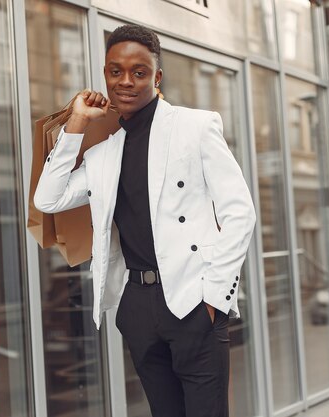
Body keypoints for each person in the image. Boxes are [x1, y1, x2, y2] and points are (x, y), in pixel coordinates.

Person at [34, 24, 256, 417]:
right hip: (137, 304)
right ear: (105, 74)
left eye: (139, 72)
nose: (126, 81)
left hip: (193, 300)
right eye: (115, 71)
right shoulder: (104, 153)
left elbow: (240, 212)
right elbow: (48, 199)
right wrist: (77, 121)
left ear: (156, 77)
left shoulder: (195, 126)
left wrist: (214, 297)